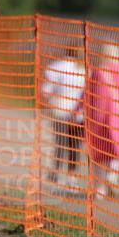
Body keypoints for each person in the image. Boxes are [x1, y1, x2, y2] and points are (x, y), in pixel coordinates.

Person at [80, 43, 119, 198]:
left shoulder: (97, 71)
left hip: (97, 117)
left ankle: (99, 189)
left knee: (98, 153)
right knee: (114, 148)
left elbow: (87, 94)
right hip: (116, 117)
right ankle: (112, 177)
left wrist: (78, 109)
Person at [41, 47, 86, 185]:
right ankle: (72, 176)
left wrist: (48, 101)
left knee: (60, 142)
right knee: (75, 145)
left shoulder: (58, 66)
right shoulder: (85, 70)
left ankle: (55, 172)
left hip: (60, 110)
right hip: (79, 114)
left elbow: (46, 90)